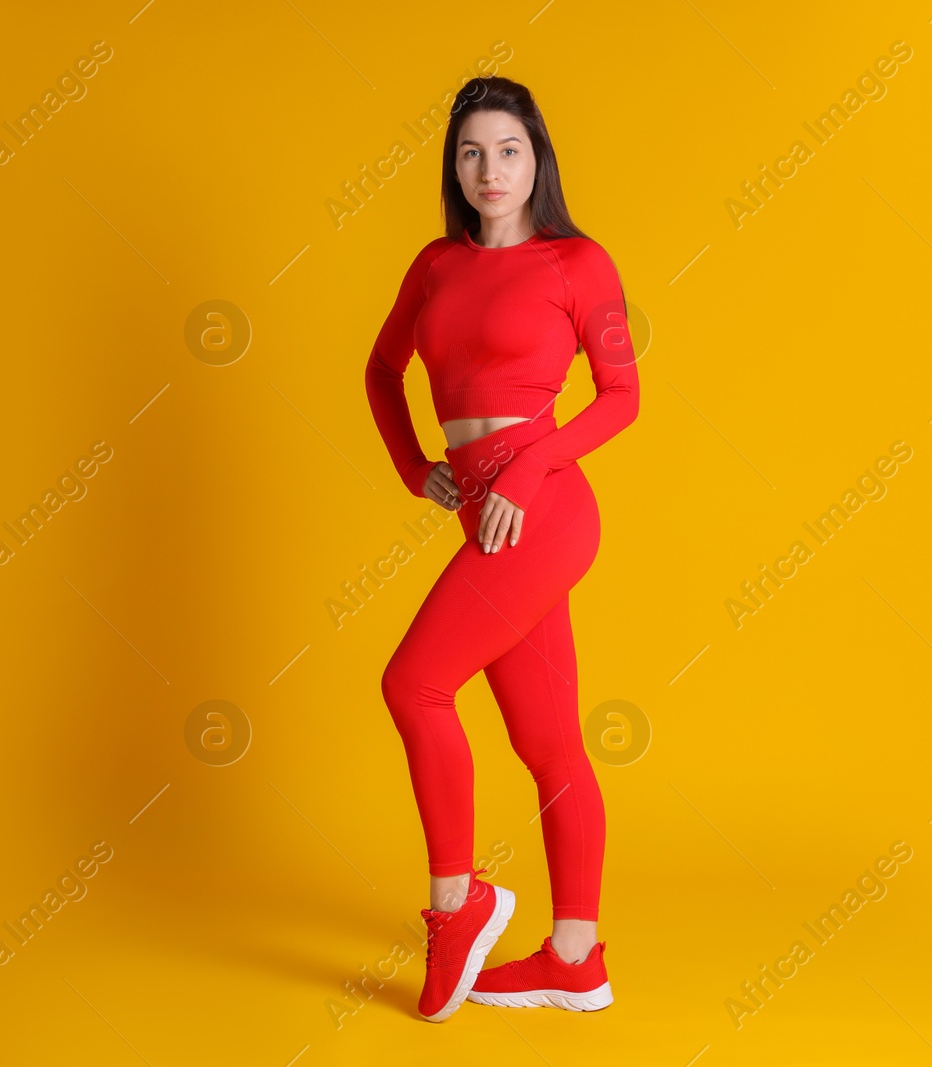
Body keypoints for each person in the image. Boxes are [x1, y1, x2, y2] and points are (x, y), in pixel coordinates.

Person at [364, 74, 640, 1022]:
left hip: (546, 509)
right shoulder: (436, 264)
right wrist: (414, 467)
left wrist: (523, 472)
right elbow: (381, 368)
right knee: (549, 740)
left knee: (413, 685)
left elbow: (621, 398)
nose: (491, 169)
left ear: (537, 160)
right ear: (455, 165)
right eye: (472, 152)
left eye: (509, 150)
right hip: (481, 507)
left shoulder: (579, 261)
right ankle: (575, 957)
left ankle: (458, 902)